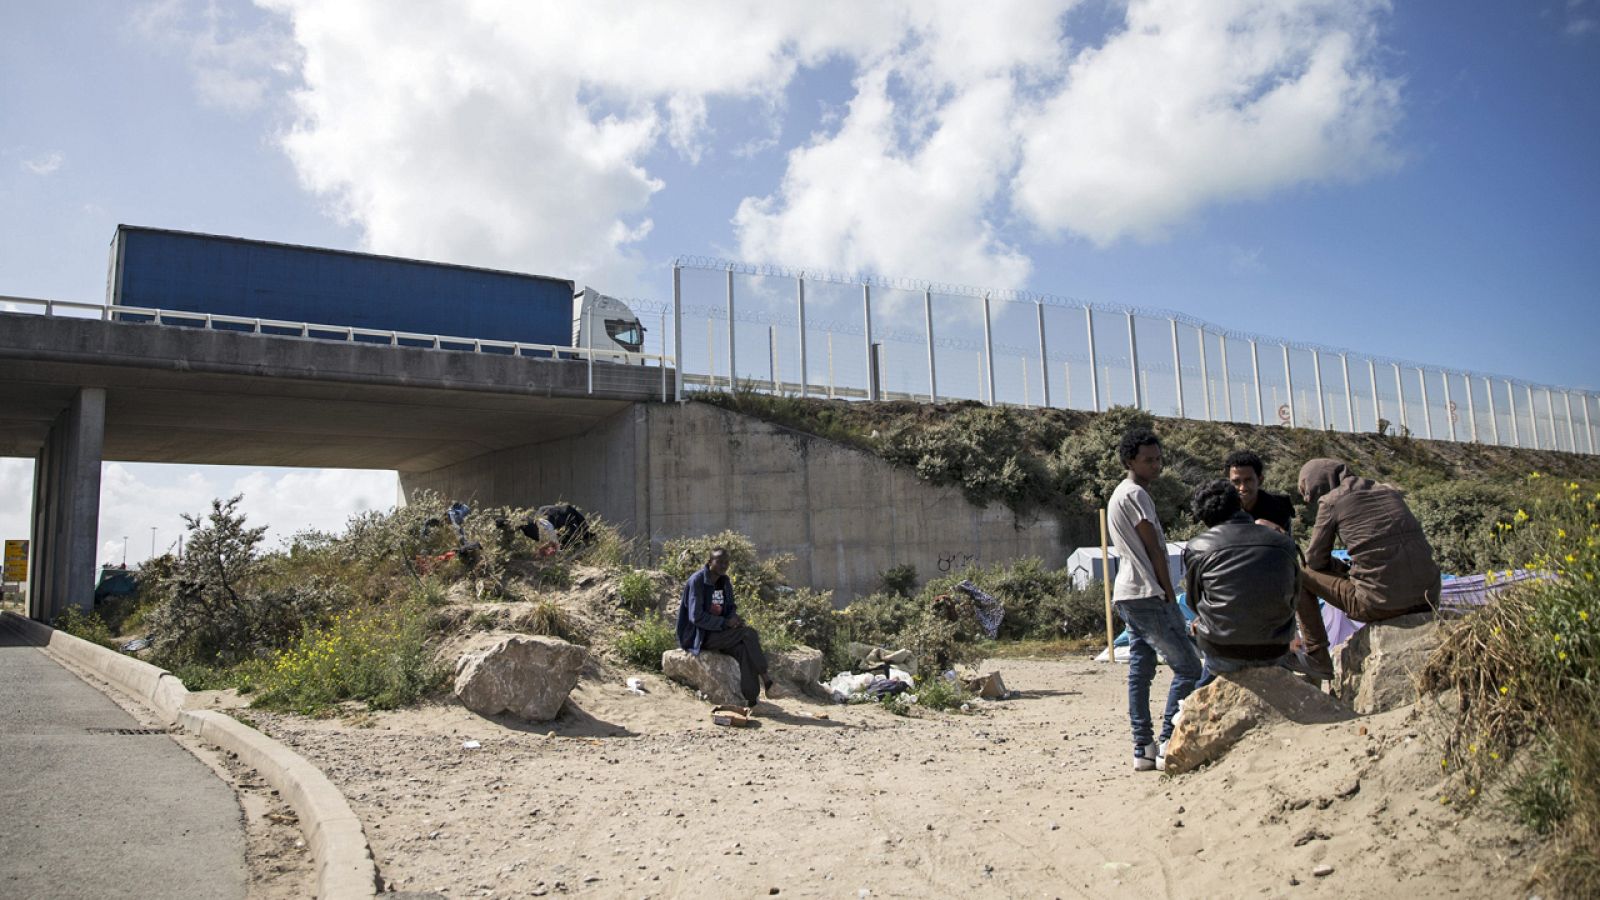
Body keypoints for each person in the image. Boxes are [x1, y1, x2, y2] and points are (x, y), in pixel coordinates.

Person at [1290, 458, 1442, 679]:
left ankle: (1318, 658)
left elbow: (1313, 561)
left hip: (1380, 603)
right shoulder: (1388, 491)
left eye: (1308, 492)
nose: (1309, 499)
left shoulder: (1332, 501)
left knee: (1299, 573)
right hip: (1429, 596)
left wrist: (1337, 567)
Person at [1106, 427, 1202, 772]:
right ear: (1130, 460)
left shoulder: (1120, 494)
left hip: (1128, 593)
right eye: (1149, 460)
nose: (1156, 466)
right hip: (1147, 592)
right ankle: (1165, 742)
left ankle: (1142, 748)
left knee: (1140, 670)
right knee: (1189, 667)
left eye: (1159, 459)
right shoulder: (1136, 495)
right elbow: (1155, 550)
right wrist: (1167, 592)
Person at [1183, 480, 1299, 687]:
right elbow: (1294, 595)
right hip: (1275, 646)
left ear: (1202, 518)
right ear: (1239, 505)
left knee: (1200, 629)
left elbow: (1193, 601)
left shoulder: (1197, 547)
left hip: (1222, 648)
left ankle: (1201, 695)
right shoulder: (1283, 542)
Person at [675, 548, 773, 707]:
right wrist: (724, 623)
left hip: (721, 633)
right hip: (701, 636)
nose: (724, 565)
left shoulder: (724, 582)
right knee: (748, 634)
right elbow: (696, 617)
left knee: (743, 649)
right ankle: (766, 678)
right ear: (709, 562)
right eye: (719, 562)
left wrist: (733, 619)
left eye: (726, 562)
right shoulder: (697, 581)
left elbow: (730, 607)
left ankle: (752, 699)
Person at [1224, 449, 1295, 534]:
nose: (1242, 488)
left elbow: (1289, 545)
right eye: (1236, 481)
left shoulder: (1278, 508)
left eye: (1248, 480)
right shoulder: (1223, 509)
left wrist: (1275, 530)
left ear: (1260, 480)